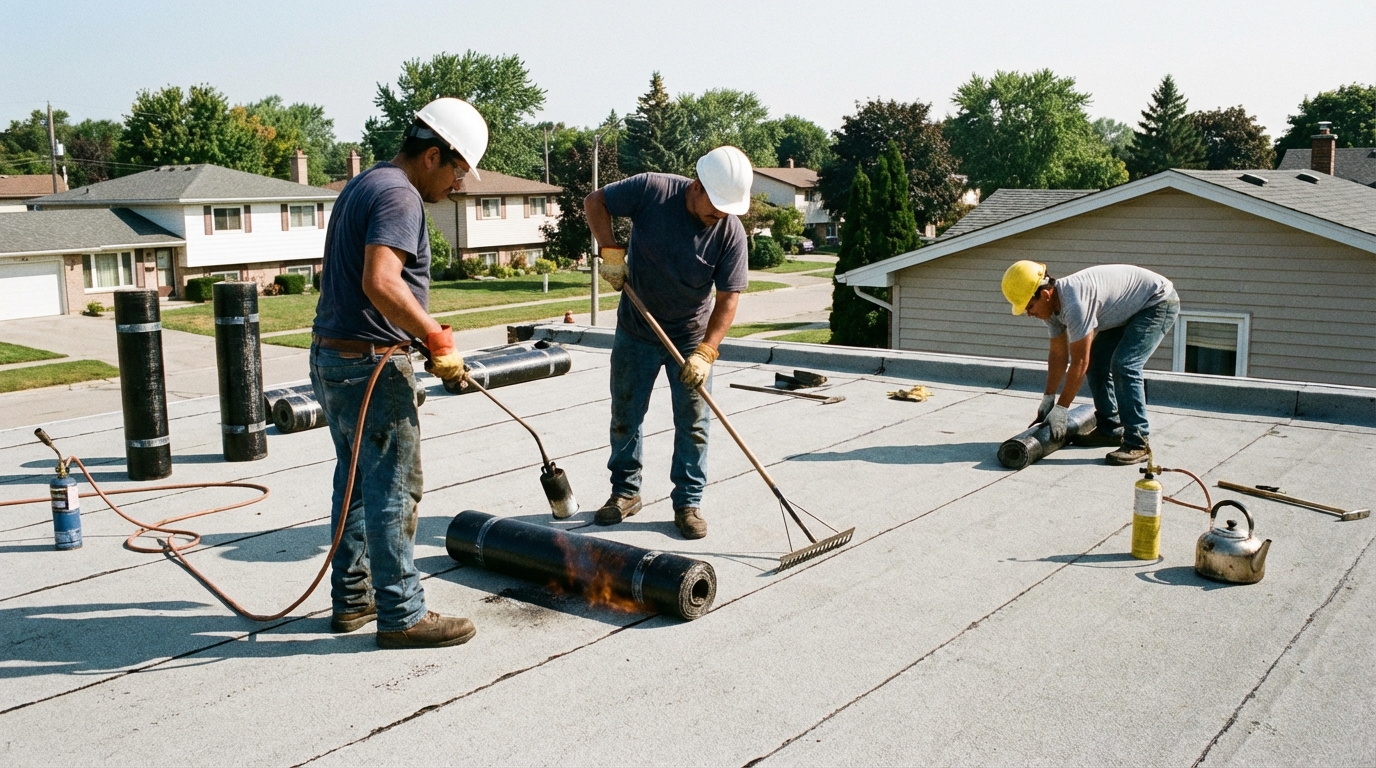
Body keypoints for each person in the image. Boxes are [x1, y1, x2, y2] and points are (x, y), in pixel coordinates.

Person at [310, 98, 486, 648]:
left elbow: (374, 291)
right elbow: (381, 282)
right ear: (434, 155)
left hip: (334, 357)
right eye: (458, 172)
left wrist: (422, 336)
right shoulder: (400, 196)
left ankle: (353, 598)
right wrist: (434, 337)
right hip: (371, 369)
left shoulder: (366, 184)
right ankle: (402, 613)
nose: (458, 185)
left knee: (357, 484)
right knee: (394, 489)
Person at [582, 146, 752, 539]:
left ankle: (688, 503)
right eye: (715, 206)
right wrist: (610, 250)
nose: (720, 215)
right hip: (636, 330)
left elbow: (728, 299)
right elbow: (596, 202)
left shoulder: (730, 233)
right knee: (626, 416)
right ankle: (625, 493)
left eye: (728, 209)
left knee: (693, 424)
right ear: (696, 186)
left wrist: (707, 352)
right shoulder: (651, 190)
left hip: (691, 340)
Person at [1001, 261, 1180, 465]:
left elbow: (1079, 362)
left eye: (1029, 306)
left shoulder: (1075, 304)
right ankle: (1110, 429)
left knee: (1125, 365)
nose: (1028, 313)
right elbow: (1059, 356)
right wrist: (1048, 398)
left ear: (1045, 294)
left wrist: (1061, 409)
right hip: (1127, 309)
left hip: (1155, 302)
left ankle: (1138, 443)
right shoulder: (1051, 310)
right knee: (1097, 362)